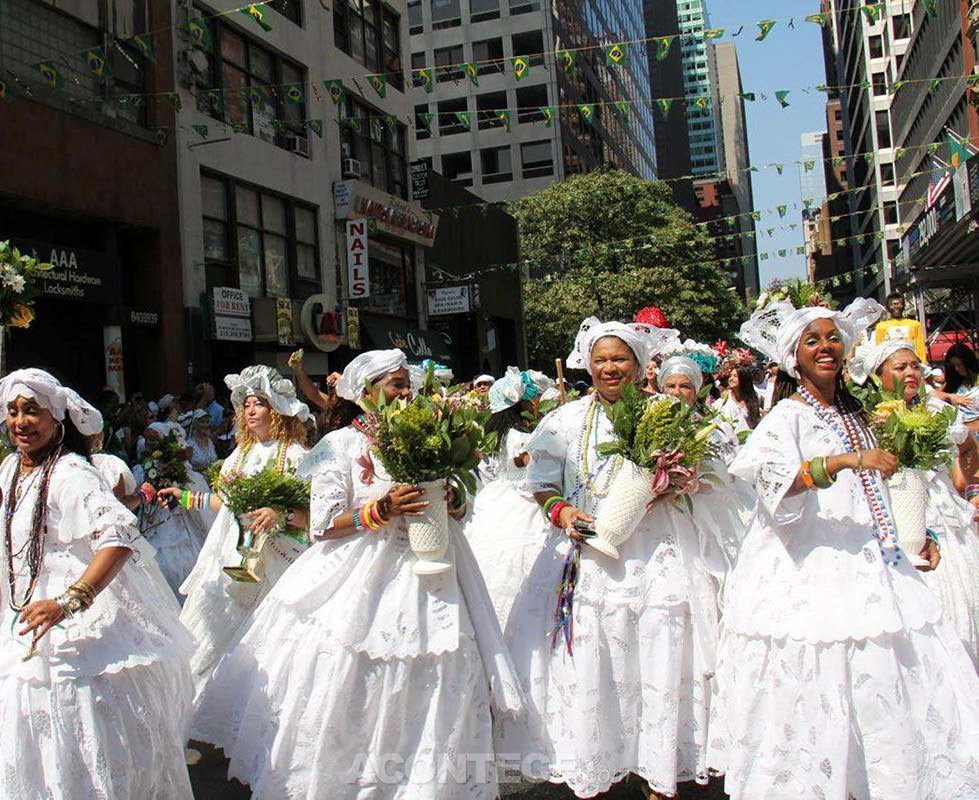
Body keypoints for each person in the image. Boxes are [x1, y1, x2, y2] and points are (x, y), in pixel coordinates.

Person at [193, 350, 523, 798]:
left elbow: (463, 509)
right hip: (359, 579)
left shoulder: (432, 435)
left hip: (437, 574)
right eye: (396, 385)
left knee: (444, 671)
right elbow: (323, 523)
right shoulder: (341, 445)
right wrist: (380, 510)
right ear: (365, 392)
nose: (407, 393)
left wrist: (452, 501)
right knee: (353, 680)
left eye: (409, 384)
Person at [710, 297, 979, 799]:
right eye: (812, 340)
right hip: (807, 566)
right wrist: (841, 462)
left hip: (876, 559)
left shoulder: (860, 412)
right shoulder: (786, 416)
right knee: (818, 678)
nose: (826, 347)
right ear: (794, 357)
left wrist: (924, 533)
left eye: (833, 337)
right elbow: (772, 481)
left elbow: (889, 486)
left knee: (885, 676)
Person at [497, 318, 720, 799]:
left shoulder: (667, 412)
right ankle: (594, 764)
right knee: (593, 662)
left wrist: (673, 484)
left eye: (619, 358)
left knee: (655, 655)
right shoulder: (564, 420)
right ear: (588, 365)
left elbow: (702, 472)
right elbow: (540, 482)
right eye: (600, 360)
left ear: (640, 365)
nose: (609, 368)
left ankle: (658, 769)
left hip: (655, 554)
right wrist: (560, 510)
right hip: (582, 557)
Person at [0, 369, 194, 799]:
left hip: (73, 624)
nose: (20, 422)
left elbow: (119, 538)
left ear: (56, 419)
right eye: (13, 412)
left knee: (74, 718)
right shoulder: (12, 467)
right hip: (24, 612)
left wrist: (69, 602)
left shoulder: (72, 472)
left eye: (32, 412)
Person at [166, 365, 310, 695]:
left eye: (258, 402)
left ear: (278, 408)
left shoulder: (297, 457)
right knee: (207, 632)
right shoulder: (238, 456)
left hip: (276, 561)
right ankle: (190, 704)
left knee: (262, 643)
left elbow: (311, 514)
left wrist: (279, 515)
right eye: (245, 404)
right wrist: (185, 496)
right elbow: (227, 502)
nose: (250, 409)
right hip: (230, 557)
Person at [850, 339, 979, 667]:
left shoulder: (937, 410)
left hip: (944, 516)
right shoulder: (868, 420)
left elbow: (967, 451)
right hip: (893, 521)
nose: (911, 372)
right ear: (879, 376)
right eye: (900, 367)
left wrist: (969, 490)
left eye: (915, 366)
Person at [465, 366, 555, 627]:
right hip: (521, 504)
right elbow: (529, 464)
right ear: (521, 403)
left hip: (497, 500)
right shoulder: (521, 437)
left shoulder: (500, 435)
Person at [873, 290, 927, 361]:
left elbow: (920, 347)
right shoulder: (881, 327)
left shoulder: (915, 325)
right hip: (892, 363)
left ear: (904, 306)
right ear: (887, 307)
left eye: (899, 304)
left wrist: (923, 364)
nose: (896, 307)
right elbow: (879, 350)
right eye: (893, 304)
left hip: (911, 362)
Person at [717, 363, 761, 433]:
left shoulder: (751, 400)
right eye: (730, 376)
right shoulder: (725, 397)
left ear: (743, 379)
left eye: (735, 376)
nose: (731, 379)